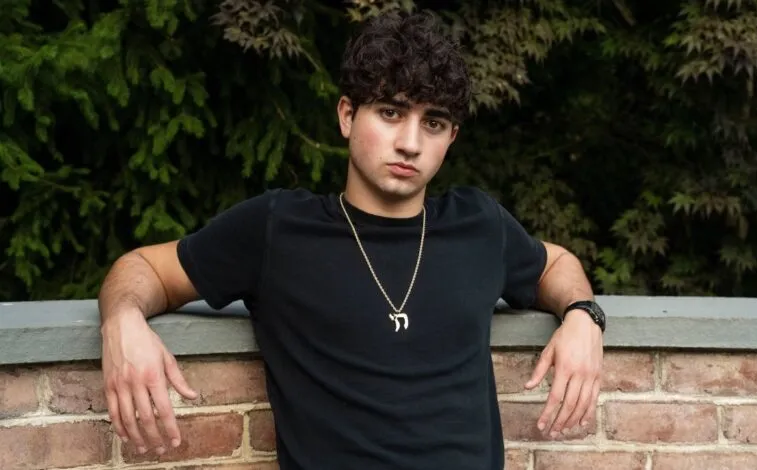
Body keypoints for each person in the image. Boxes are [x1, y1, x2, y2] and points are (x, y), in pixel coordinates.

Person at [98, 10, 604, 470]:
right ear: (347, 116)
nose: (410, 142)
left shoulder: (478, 224)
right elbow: (145, 268)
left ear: (451, 138)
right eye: (390, 113)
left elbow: (550, 265)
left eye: (433, 123)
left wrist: (583, 315)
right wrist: (122, 321)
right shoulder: (278, 228)